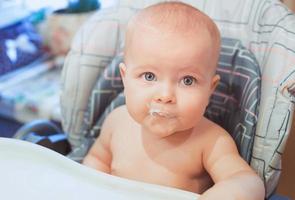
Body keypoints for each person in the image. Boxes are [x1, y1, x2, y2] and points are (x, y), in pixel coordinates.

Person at [83, 2, 265, 199]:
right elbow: (96, 160)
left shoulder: (211, 141)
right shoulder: (116, 122)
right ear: (124, 79)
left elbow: (247, 181)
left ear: (209, 90)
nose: (165, 96)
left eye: (187, 80)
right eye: (149, 76)